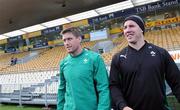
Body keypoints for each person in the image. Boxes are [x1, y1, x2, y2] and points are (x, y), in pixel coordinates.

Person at [109, 15, 180, 110]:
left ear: (141, 29)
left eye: (131, 26)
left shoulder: (161, 53)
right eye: (125, 27)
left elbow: (176, 82)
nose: (127, 30)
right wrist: (123, 106)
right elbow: (114, 86)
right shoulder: (118, 58)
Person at [57, 27, 110, 110]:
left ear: (79, 39)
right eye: (64, 40)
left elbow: (103, 88)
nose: (66, 43)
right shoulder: (63, 63)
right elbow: (61, 90)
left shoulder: (95, 59)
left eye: (69, 39)